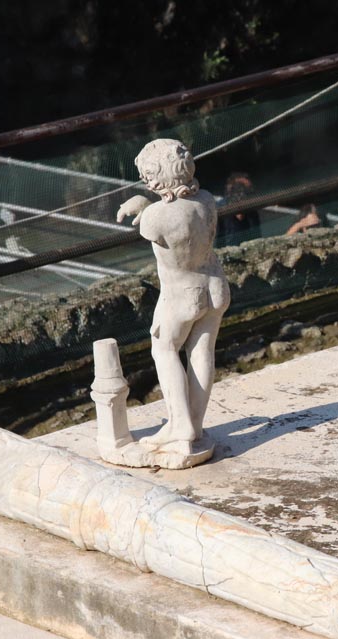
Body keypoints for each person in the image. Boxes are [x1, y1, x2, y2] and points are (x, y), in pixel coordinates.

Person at [116, 139, 230, 455]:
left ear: (156, 176)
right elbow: (172, 206)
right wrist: (147, 201)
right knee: (202, 352)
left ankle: (180, 425)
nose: (145, 181)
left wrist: (139, 202)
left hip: (183, 293)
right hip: (215, 285)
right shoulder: (206, 199)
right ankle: (192, 423)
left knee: (164, 349)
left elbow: (149, 222)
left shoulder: (156, 217)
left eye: (147, 176)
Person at [217, 171, 260, 246]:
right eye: (242, 190)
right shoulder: (220, 211)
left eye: (249, 192)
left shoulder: (251, 211)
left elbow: (257, 238)